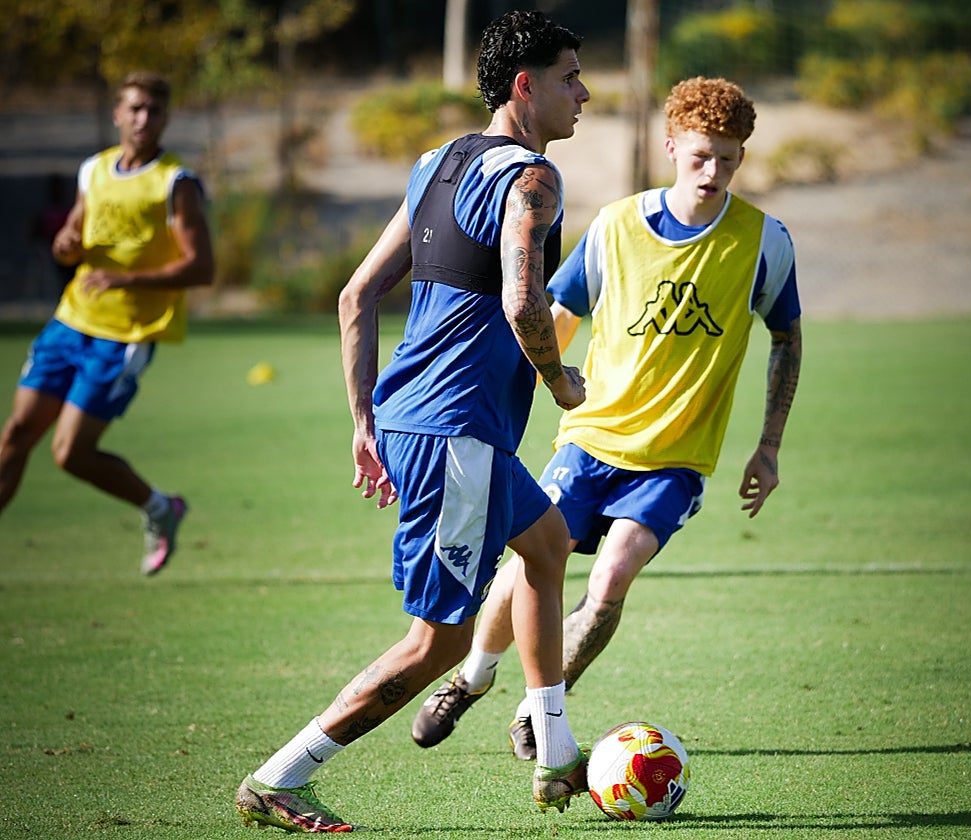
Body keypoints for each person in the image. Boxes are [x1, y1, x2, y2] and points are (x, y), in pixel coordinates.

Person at [234, 10, 592, 833]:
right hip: (455, 430)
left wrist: (364, 418)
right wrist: (558, 381)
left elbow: (356, 294)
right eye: (570, 75)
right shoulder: (532, 179)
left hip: (420, 418)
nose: (585, 93)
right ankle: (281, 776)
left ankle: (556, 752)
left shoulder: (436, 162)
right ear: (525, 87)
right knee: (435, 642)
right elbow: (522, 300)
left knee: (546, 544)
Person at [411, 76, 803, 760]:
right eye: (703, 155)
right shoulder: (617, 226)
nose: (714, 172)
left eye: (730, 159)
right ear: (672, 145)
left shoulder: (765, 242)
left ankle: (544, 708)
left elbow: (787, 338)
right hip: (592, 438)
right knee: (532, 563)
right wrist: (522, 391)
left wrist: (768, 446)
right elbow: (554, 316)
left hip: (676, 460)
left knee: (612, 576)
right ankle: (471, 678)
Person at [0, 71, 214, 575]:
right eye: (135, 108)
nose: (143, 119)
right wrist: (64, 244)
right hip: (69, 321)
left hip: (124, 338)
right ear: (118, 114)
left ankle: (161, 506)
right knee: (15, 435)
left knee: (70, 453)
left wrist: (127, 279)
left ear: (165, 118)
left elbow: (202, 268)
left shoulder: (175, 183)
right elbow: (74, 233)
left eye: (154, 111)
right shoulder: (93, 170)